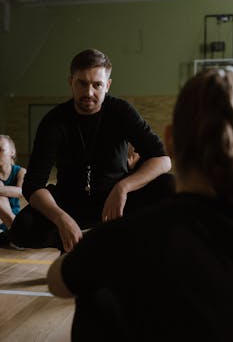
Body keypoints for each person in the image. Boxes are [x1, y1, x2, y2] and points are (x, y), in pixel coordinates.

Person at [47, 68, 233, 342]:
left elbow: (57, 281)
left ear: (169, 140)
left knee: (99, 289)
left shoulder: (127, 236)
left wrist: (93, 247)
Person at [4, 48, 172, 253]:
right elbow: (32, 185)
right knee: (23, 228)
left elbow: (162, 159)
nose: (89, 92)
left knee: (169, 186)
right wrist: (60, 218)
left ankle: (124, 236)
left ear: (107, 85)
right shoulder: (54, 121)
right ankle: (80, 237)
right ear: (71, 82)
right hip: (70, 200)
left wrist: (123, 187)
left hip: (116, 199)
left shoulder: (121, 111)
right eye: (82, 83)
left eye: (97, 85)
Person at [0, 135, 26, 238]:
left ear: (12, 152)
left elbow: (22, 191)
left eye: (0, 150)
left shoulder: (20, 171)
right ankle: (16, 233)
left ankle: (14, 231)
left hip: (13, 215)